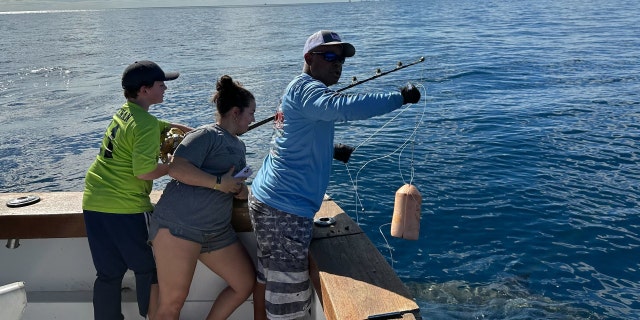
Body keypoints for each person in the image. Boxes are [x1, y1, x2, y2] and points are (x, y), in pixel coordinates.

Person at [248, 30, 421, 320]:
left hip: (271, 201)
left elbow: (291, 137)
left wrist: (330, 149)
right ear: (308, 58)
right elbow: (341, 107)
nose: (337, 63)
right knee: (288, 305)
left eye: (341, 59)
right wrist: (399, 98)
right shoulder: (307, 90)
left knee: (268, 280)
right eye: (329, 56)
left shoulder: (299, 91)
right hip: (284, 211)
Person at [82, 60, 193, 320]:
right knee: (149, 270)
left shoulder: (125, 111)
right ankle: (152, 316)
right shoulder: (144, 125)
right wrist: (172, 166)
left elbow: (153, 125)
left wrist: (191, 132)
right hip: (126, 208)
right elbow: (143, 172)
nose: (165, 87)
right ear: (144, 90)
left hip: (95, 203)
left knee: (108, 274)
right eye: (160, 84)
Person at [149, 75, 257, 320]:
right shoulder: (204, 135)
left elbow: (234, 182)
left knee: (244, 283)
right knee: (172, 304)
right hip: (180, 227)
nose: (253, 118)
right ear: (235, 113)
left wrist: (241, 190)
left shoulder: (239, 146)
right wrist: (220, 183)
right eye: (251, 113)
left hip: (216, 232)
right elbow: (177, 169)